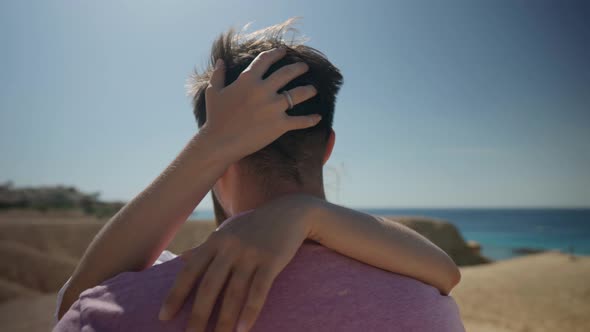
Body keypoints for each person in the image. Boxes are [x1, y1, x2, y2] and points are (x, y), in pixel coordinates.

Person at [55, 19, 464, 332]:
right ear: (327, 148)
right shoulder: (428, 305)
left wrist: (211, 145)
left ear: (215, 165)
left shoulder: (117, 309)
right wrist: (306, 213)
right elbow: (448, 273)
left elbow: (75, 302)